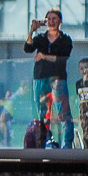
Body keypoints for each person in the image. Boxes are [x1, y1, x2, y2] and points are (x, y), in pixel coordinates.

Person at [23, 8, 74, 148]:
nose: (51, 22)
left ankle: (67, 142)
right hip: (40, 77)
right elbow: (28, 48)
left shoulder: (65, 39)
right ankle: (47, 140)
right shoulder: (40, 38)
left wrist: (45, 57)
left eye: (54, 19)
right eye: (49, 19)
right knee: (43, 112)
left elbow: (63, 58)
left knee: (63, 111)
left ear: (59, 21)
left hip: (58, 78)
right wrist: (31, 31)